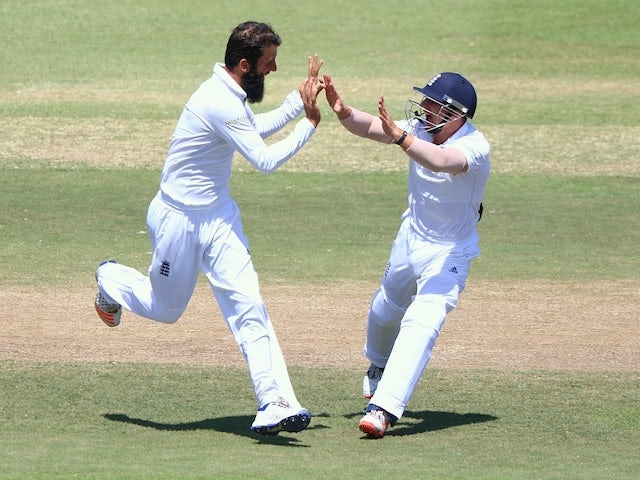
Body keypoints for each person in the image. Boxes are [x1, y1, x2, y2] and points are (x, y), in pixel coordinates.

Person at [94, 21, 324, 436]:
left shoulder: (230, 97)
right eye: (268, 64)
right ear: (243, 65)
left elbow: (250, 129)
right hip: (176, 221)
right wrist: (308, 123)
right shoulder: (218, 100)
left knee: (249, 304)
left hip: (218, 218)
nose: (272, 70)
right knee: (166, 310)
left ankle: (274, 402)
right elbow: (265, 160)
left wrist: (297, 101)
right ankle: (109, 279)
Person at [324, 71, 490, 438]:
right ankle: (379, 366)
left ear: (457, 114)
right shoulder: (419, 128)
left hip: (450, 252)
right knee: (385, 310)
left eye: (433, 103)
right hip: (410, 237)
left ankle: (383, 408)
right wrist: (342, 110)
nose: (425, 107)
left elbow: (442, 161)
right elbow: (371, 126)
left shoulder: (475, 147)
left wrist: (401, 137)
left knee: (421, 322)